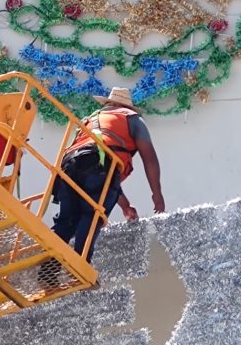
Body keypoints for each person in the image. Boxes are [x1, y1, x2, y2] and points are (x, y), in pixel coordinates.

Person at [40, 87, 165, 287]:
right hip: (97, 166)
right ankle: (81, 266)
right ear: (126, 106)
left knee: (67, 220)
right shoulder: (131, 118)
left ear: (108, 104)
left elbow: (105, 177)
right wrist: (156, 194)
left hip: (68, 167)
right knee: (93, 214)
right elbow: (149, 158)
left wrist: (124, 205)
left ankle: (48, 272)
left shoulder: (89, 120)